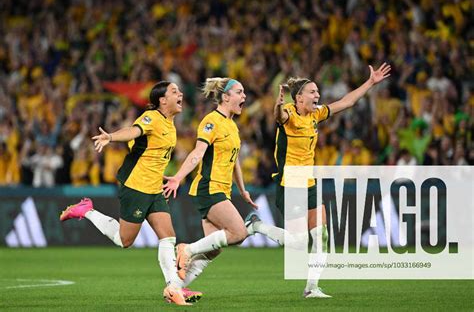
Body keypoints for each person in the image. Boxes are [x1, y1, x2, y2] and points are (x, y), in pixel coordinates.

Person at [245, 63, 391, 298]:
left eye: (317, 92)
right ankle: (256, 226)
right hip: (290, 183)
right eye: (313, 92)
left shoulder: (316, 114)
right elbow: (278, 116)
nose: (318, 95)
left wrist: (371, 82)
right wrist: (278, 103)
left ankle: (311, 288)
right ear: (299, 98)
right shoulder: (289, 114)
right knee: (297, 243)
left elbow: (346, 102)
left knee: (321, 235)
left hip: (309, 182)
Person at [59, 81, 197, 306]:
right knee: (125, 240)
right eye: (174, 91)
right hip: (136, 186)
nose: (180, 93)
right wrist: (111, 137)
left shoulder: (170, 124)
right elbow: (133, 131)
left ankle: (174, 288)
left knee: (168, 236)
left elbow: (151, 154)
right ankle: (87, 211)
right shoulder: (151, 117)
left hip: (154, 187)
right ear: (162, 100)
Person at [162, 77, 258, 290]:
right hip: (209, 188)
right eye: (239, 92)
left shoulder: (232, 125)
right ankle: (186, 250)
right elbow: (197, 153)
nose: (244, 96)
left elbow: (235, 161)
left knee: (213, 249)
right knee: (239, 233)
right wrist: (178, 177)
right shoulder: (211, 121)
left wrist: (242, 190)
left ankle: (175, 288)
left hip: (223, 190)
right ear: (225, 97)